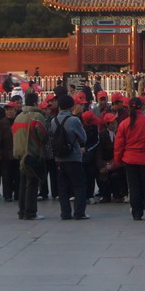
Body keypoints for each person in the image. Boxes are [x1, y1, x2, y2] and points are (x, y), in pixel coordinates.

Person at [114, 97, 145, 222]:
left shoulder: (124, 124)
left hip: (130, 159)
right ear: (142, 107)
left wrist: (118, 160)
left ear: (128, 108)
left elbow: (118, 145)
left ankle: (137, 214)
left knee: (134, 187)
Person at [51, 90, 88, 220]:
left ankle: (65, 213)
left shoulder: (53, 121)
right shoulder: (74, 120)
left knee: (62, 187)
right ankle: (79, 212)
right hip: (74, 157)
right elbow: (83, 137)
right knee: (79, 185)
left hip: (59, 158)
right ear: (72, 106)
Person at [12, 91, 48, 221]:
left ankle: (21, 211)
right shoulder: (37, 117)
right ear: (35, 102)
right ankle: (30, 212)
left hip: (20, 154)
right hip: (32, 154)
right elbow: (43, 135)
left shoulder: (18, 116)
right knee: (32, 184)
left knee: (22, 184)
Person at [0, 103, 18, 202]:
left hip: (17, 153)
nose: (9, 112)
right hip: (5, 155)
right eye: (7, 110)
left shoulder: (19, 121)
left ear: (15, 111)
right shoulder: (1, 123)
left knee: (18, 176)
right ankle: (7, 195)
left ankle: (17, 194)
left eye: (11, 109)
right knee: (6, 176)